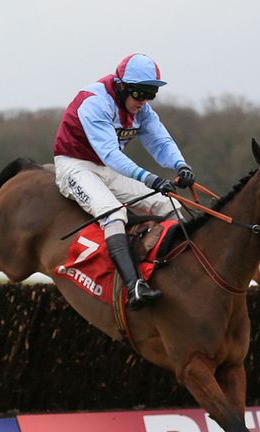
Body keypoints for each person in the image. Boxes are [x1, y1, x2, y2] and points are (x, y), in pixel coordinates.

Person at [53, 53, 196, 310]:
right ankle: (134, 287)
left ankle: (173, 269)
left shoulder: (142, 110)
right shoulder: (94, 102)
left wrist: (181, 165)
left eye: (151, 94)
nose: (144, 101)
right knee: (114, 213)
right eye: (140, 94)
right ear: (121, 86)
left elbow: (160, 141)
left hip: (107, 169)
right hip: (75, 165)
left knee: (171, 205)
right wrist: (149, 178)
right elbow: (110, 153)